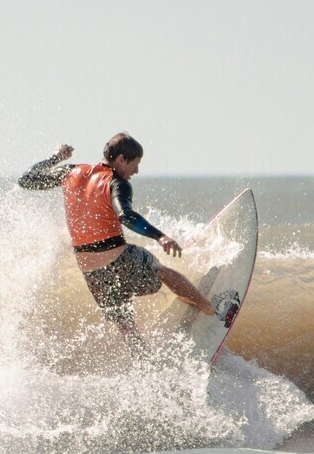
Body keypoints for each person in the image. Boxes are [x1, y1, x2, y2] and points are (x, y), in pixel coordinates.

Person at [18, 132, 238, 344]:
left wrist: (56, 158)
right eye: (135, 163)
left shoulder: (71, 173)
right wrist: (159, 237)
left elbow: (26, 179)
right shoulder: (115, 182)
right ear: (122, 159)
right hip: (117, 258)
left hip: (90, 271)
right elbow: (125, 215)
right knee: (160, 270)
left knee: (125, 323)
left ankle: (144, 365)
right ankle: (208, 308)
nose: (137, 171)